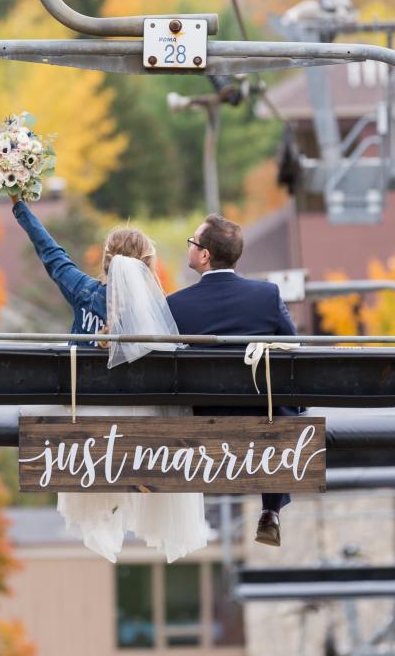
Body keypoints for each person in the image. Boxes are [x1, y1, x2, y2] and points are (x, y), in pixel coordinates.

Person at [11, 199, 208, 562]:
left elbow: (51, 253)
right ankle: (134, 488)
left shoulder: (83, 292)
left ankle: (110, 497)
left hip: (84, 422)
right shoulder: (157, 319)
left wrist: (19, 206)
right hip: (141, 431)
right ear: (148, 266)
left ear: (105, 261)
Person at [167, 213, 298, 548]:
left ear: (205, 255)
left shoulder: (176, 306)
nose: (190, 248)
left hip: (199, 418)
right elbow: (295, 349)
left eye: (192, 243)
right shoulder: (266, 296)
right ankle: (272, 509)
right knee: (281, 398)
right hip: (259, 415)